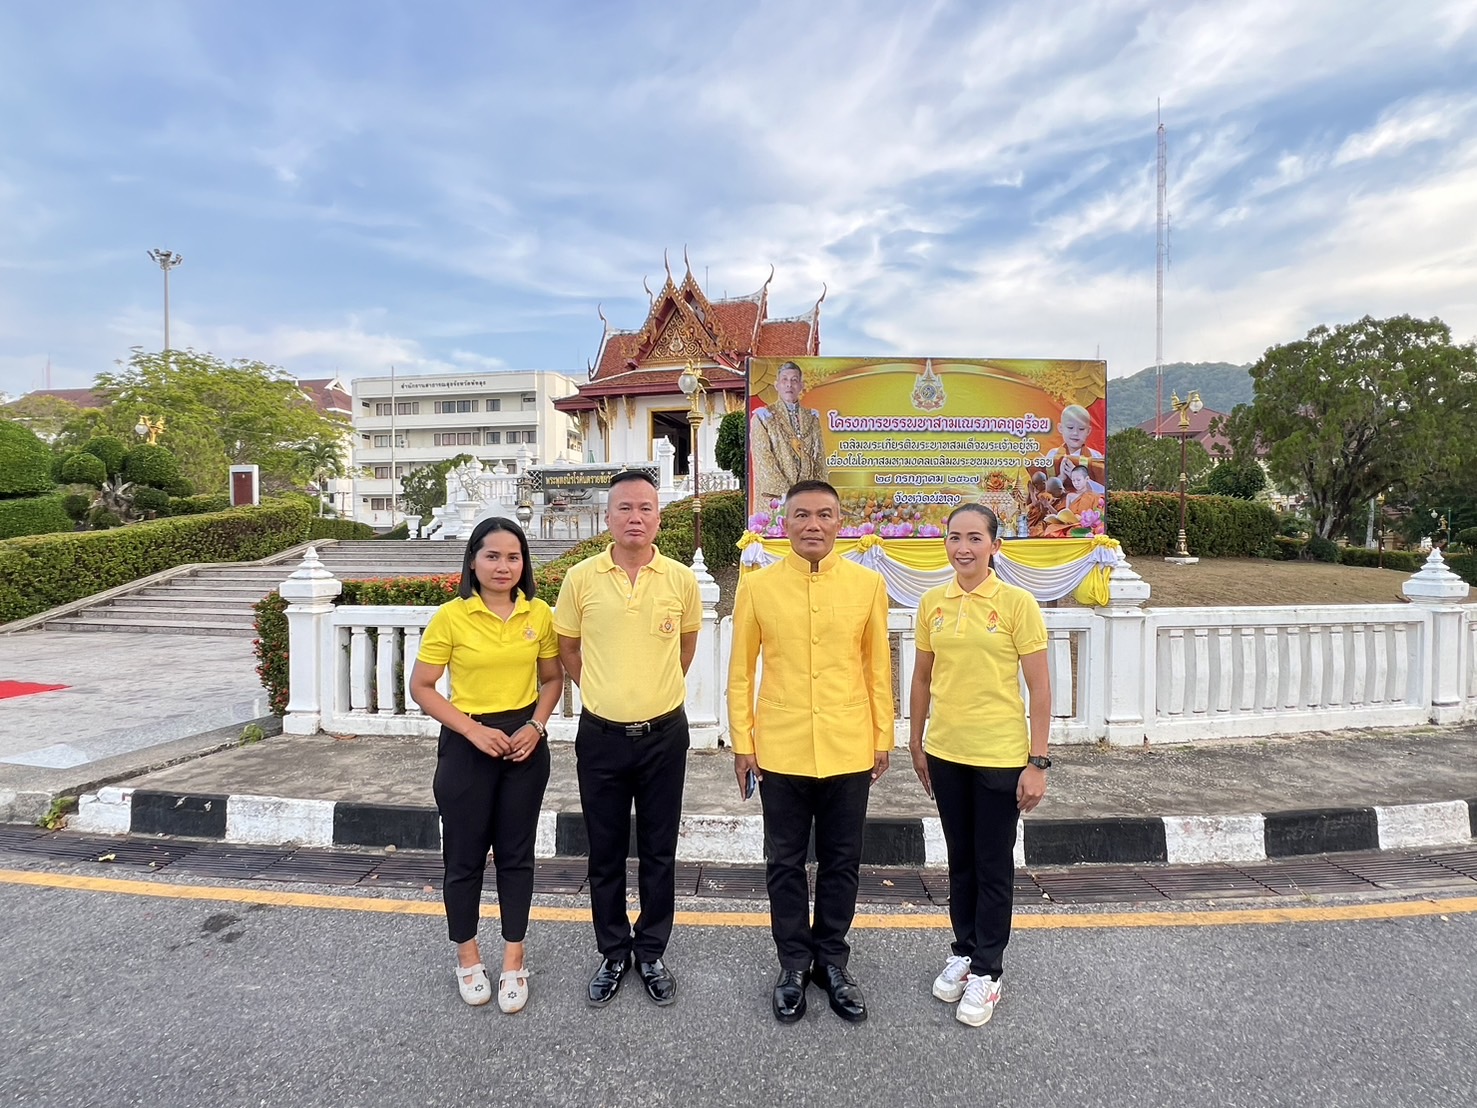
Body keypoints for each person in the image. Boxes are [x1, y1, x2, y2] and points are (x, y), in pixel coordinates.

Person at [728, 479, 894, 1024]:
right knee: (785, 863)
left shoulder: (867, 585)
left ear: (840, 522)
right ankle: (793, 965)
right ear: (785, 522)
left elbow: (877, 668)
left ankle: (832, 962)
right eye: (802, 515)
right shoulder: (759, 587)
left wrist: (882, 737)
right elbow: (740, 672)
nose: (813, 525)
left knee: (843, 861)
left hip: (849, 744)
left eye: (824, 514)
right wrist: (743, 742)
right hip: (781, 747)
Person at [553, 469, 701, 1009]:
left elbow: (685, 648)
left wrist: (651, 693)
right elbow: (569, 649)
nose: (635, 517)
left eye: (645, 508)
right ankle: (614, 950)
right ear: (608, 515)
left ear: (659, 517)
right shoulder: (580, 579)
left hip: (665, 735)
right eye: (625, 508)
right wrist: (603, 691)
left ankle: (652, 950)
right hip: (601, 737)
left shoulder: (680, 579)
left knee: (660, 850)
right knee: (606, 850)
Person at [410, 517, 563, 1014]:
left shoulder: (539, 614)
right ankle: (468, 957)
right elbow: (423, 686)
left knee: (517, 856)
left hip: (523, 745)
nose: (503, 566)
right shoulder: (451, 617)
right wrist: (472, 730)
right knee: (464, 858)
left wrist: (536, 725)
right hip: (467, 747)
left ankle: (514, 960)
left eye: (513, 557)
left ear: (524, 564)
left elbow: (552, 680)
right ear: (472, 561)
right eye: (492, 556)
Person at [908, 503, 1050, 1028]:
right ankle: (964, 952)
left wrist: (1037, 762)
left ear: (994, 545)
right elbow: (922, 678)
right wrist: (916, 740)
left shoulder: (1016, 603)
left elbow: (1040, 687)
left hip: (999, 756)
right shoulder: (932, 603)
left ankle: (989, 971)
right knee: (961, 860)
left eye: (974, 538)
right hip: (946, 753)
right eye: (954, 537)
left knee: (992, 865)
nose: (962, 548)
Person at [750, 361, 827, 509]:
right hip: (778, 500)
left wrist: (822, 494)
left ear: (801, 385)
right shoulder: (763, 417)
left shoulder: (812, 418)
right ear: (776, 385)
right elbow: (763, 459)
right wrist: (787, 494)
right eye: (784, 379)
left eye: (794, 380)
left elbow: (819, 459)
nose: (789, 385)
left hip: (807, 497)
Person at [1043, 403, 1104, 493]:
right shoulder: (1052, 455)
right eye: (1070, 427)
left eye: (1081, 429)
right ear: (1060, 428)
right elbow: (1045, 491)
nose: (1075, 433)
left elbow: (1102, 490)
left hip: (1087, 500)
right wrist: (1061, 478)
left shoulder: (1095, 456)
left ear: (1088, 431)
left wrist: (1076, 476)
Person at [1042, 464, 1103, 536]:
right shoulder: (1070, 496)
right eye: (1073, 480)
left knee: (1072, 532)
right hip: (1071, 525)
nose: (1076, 483)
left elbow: (1097, 516)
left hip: (1086, 526)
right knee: (1051, 529)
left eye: (1078, 480)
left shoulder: (1095, 496)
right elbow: (1066, 514)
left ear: (1087, 479)